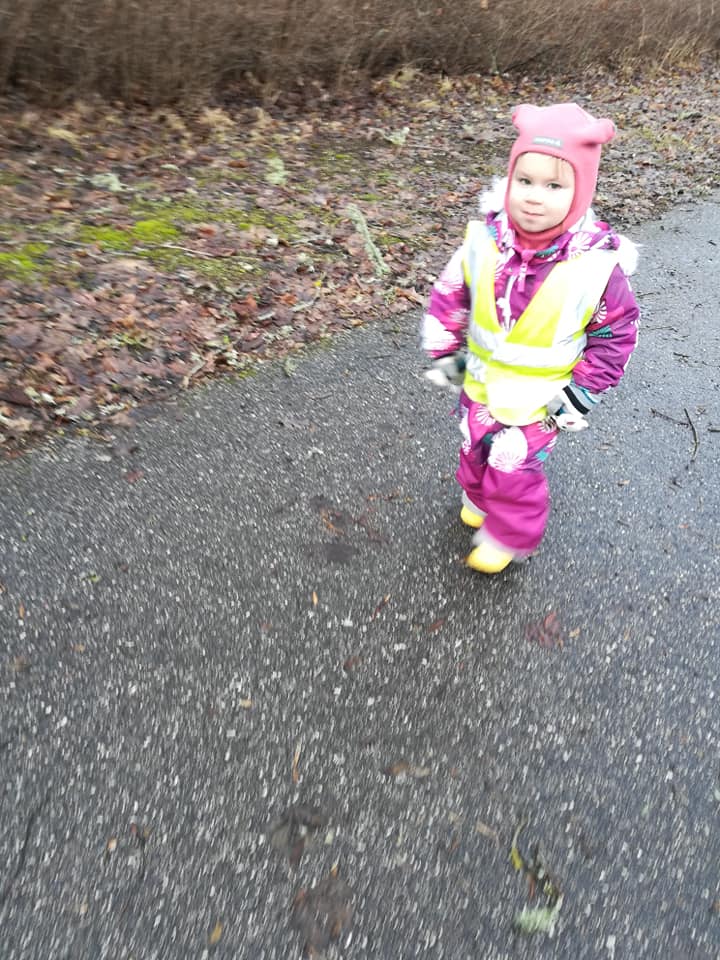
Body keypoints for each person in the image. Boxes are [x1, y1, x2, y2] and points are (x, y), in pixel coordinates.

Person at [421, 102, 640, 574]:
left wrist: (580, 393)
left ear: (581, 191)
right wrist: (445, 347)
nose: (535, 197)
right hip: (480, 381)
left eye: (555, 186)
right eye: (525, 181)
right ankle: (478, 499)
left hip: (543, 398)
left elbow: (615, 335)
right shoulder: (483, 242)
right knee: (475, 445)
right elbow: (451, 291)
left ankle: (508, 535)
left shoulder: (595, 267)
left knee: (512, 462)